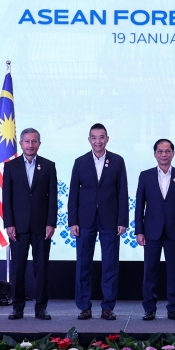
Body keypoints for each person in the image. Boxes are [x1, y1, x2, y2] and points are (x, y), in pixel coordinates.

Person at [69, 123, 128, 321]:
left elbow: (122, 192)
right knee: (83, 264)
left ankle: (107, 307)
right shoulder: (80, 162)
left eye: (101, 137)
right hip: (85, 220)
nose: (98, 141)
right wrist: (73, 221)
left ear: (107, 139)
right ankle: (84, 307)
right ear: (89, 140)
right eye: (94, 137)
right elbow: (73, 194)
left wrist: (122, 220)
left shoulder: (118, 161)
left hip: (110, 220)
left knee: (110, 264)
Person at [3, 128, 58, 321]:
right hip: (17, 227)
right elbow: (6, 198)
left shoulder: (49, 166)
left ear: (39, 144)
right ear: (21, 144)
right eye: (27, 141)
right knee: (18, 269)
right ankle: (17, 308)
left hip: (42, 227)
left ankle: (41, 308)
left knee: (41, 269)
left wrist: (51, 222)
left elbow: (53, 198)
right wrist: (8, 223)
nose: (30, 145)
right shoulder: (11, 167)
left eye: (34, 141)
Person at [135, 139, 175, 321]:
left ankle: (173, 308)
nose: (164, 154)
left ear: (173, 153)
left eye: (167, 151)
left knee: (174, 271)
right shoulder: (145, 176)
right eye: (160, 151)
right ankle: (149, 308)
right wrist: (139, 231)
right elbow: (139, 205)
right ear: (155, 154)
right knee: (149, 271)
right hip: (151, 230)